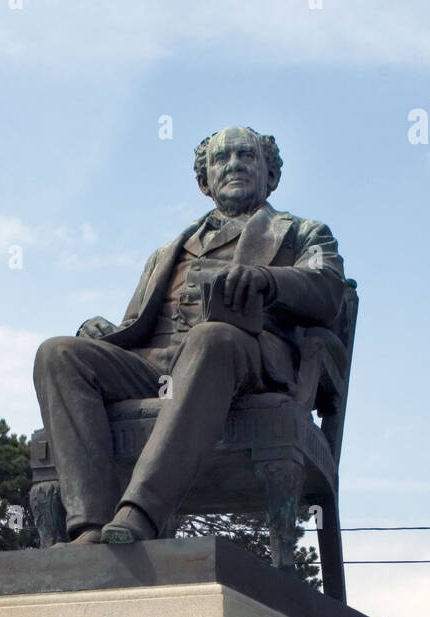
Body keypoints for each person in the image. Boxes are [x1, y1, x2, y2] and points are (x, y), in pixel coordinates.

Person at [32, 125, 348, 544]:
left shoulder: (301, 232)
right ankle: (91, 528)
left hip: (244, 358)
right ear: (205, 181)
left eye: (245, 156)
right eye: (221, 159)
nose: (233, 164)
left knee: (210, 338)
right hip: (159, 367)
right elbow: (136, 327)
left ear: (270, 175)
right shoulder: (167, 252)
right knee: (58, 353)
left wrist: (269, 280)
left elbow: (327, 288)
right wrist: (104, 332)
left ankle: (139, 515)